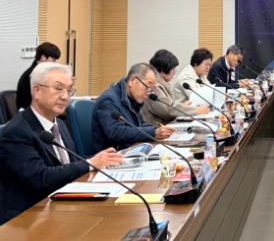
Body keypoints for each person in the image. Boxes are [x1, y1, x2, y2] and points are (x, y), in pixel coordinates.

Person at [0, 63, 123, 224]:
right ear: (37, 91)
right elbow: (41, 178)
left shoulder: (59, 124)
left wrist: (105, 160)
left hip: (60, 207)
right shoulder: (16, 132)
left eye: (69, 90)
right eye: (58, 88)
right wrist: (91, 163)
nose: (65, 96)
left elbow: (70, 163)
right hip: (26, 220)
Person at [91, 62, 175, 151]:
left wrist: (157, 129)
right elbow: (116, 132)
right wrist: (152, 132)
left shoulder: (132, 98)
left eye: (152, 89)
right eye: (148, 86)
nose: (149, 92)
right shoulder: (108, 100)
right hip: (112, 155)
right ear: (132, 81)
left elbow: (140, 124)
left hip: (131, 149)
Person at [143, 49, 210, 125]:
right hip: (159, 129)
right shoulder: (154, 85)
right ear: (164, 68)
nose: (175, 72)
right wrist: (196, 110)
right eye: (173, 69)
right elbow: (168, 109)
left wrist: (182, 106)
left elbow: (169, 104)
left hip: (167, 125)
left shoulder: (161, 82)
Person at [16, 42, 61, 110]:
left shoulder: (41, 73)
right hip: (31, 112)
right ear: (43, 57)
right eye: (53, 60)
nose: (55, 63)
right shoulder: (32, 75)